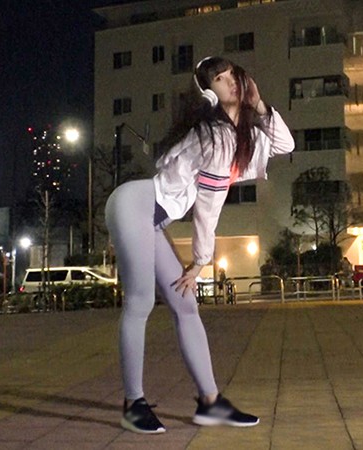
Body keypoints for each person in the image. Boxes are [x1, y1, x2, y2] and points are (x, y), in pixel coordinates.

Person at [105, 56, 294, 434]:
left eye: (232, 75)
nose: (230, 82)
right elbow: (209, 205)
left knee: (185, 304)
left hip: (151, 216)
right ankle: (133, 403)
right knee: (141, 301)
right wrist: (200, 261)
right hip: (134, 205)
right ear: (209, 91)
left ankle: (210, 402)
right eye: (219, 79)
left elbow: (284, 143)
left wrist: (259, 104)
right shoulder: (216, 136)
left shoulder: (242, 133)